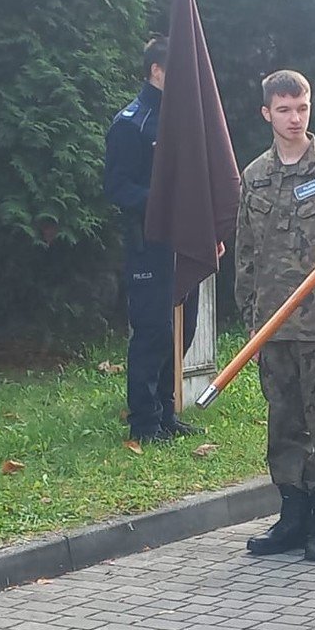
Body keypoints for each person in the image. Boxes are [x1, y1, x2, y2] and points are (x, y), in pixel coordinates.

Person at [235, 70, 315, 561]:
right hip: (273, 325)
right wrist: (251, 317)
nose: (295, 118)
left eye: (302, 108)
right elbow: (245, 250)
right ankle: (291, 516)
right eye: (284, 109)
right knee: (283, 420)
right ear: (267, 113)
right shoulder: (255, 175)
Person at [104, 35, 203, 444]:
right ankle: (144, 422)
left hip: (185, 242)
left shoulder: (184, 121)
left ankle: (166, 412)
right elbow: (118, 187)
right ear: (156, 71)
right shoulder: (131, 123)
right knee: (154, 331)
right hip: (150, 243)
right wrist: (165, 201)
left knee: (185, 329)